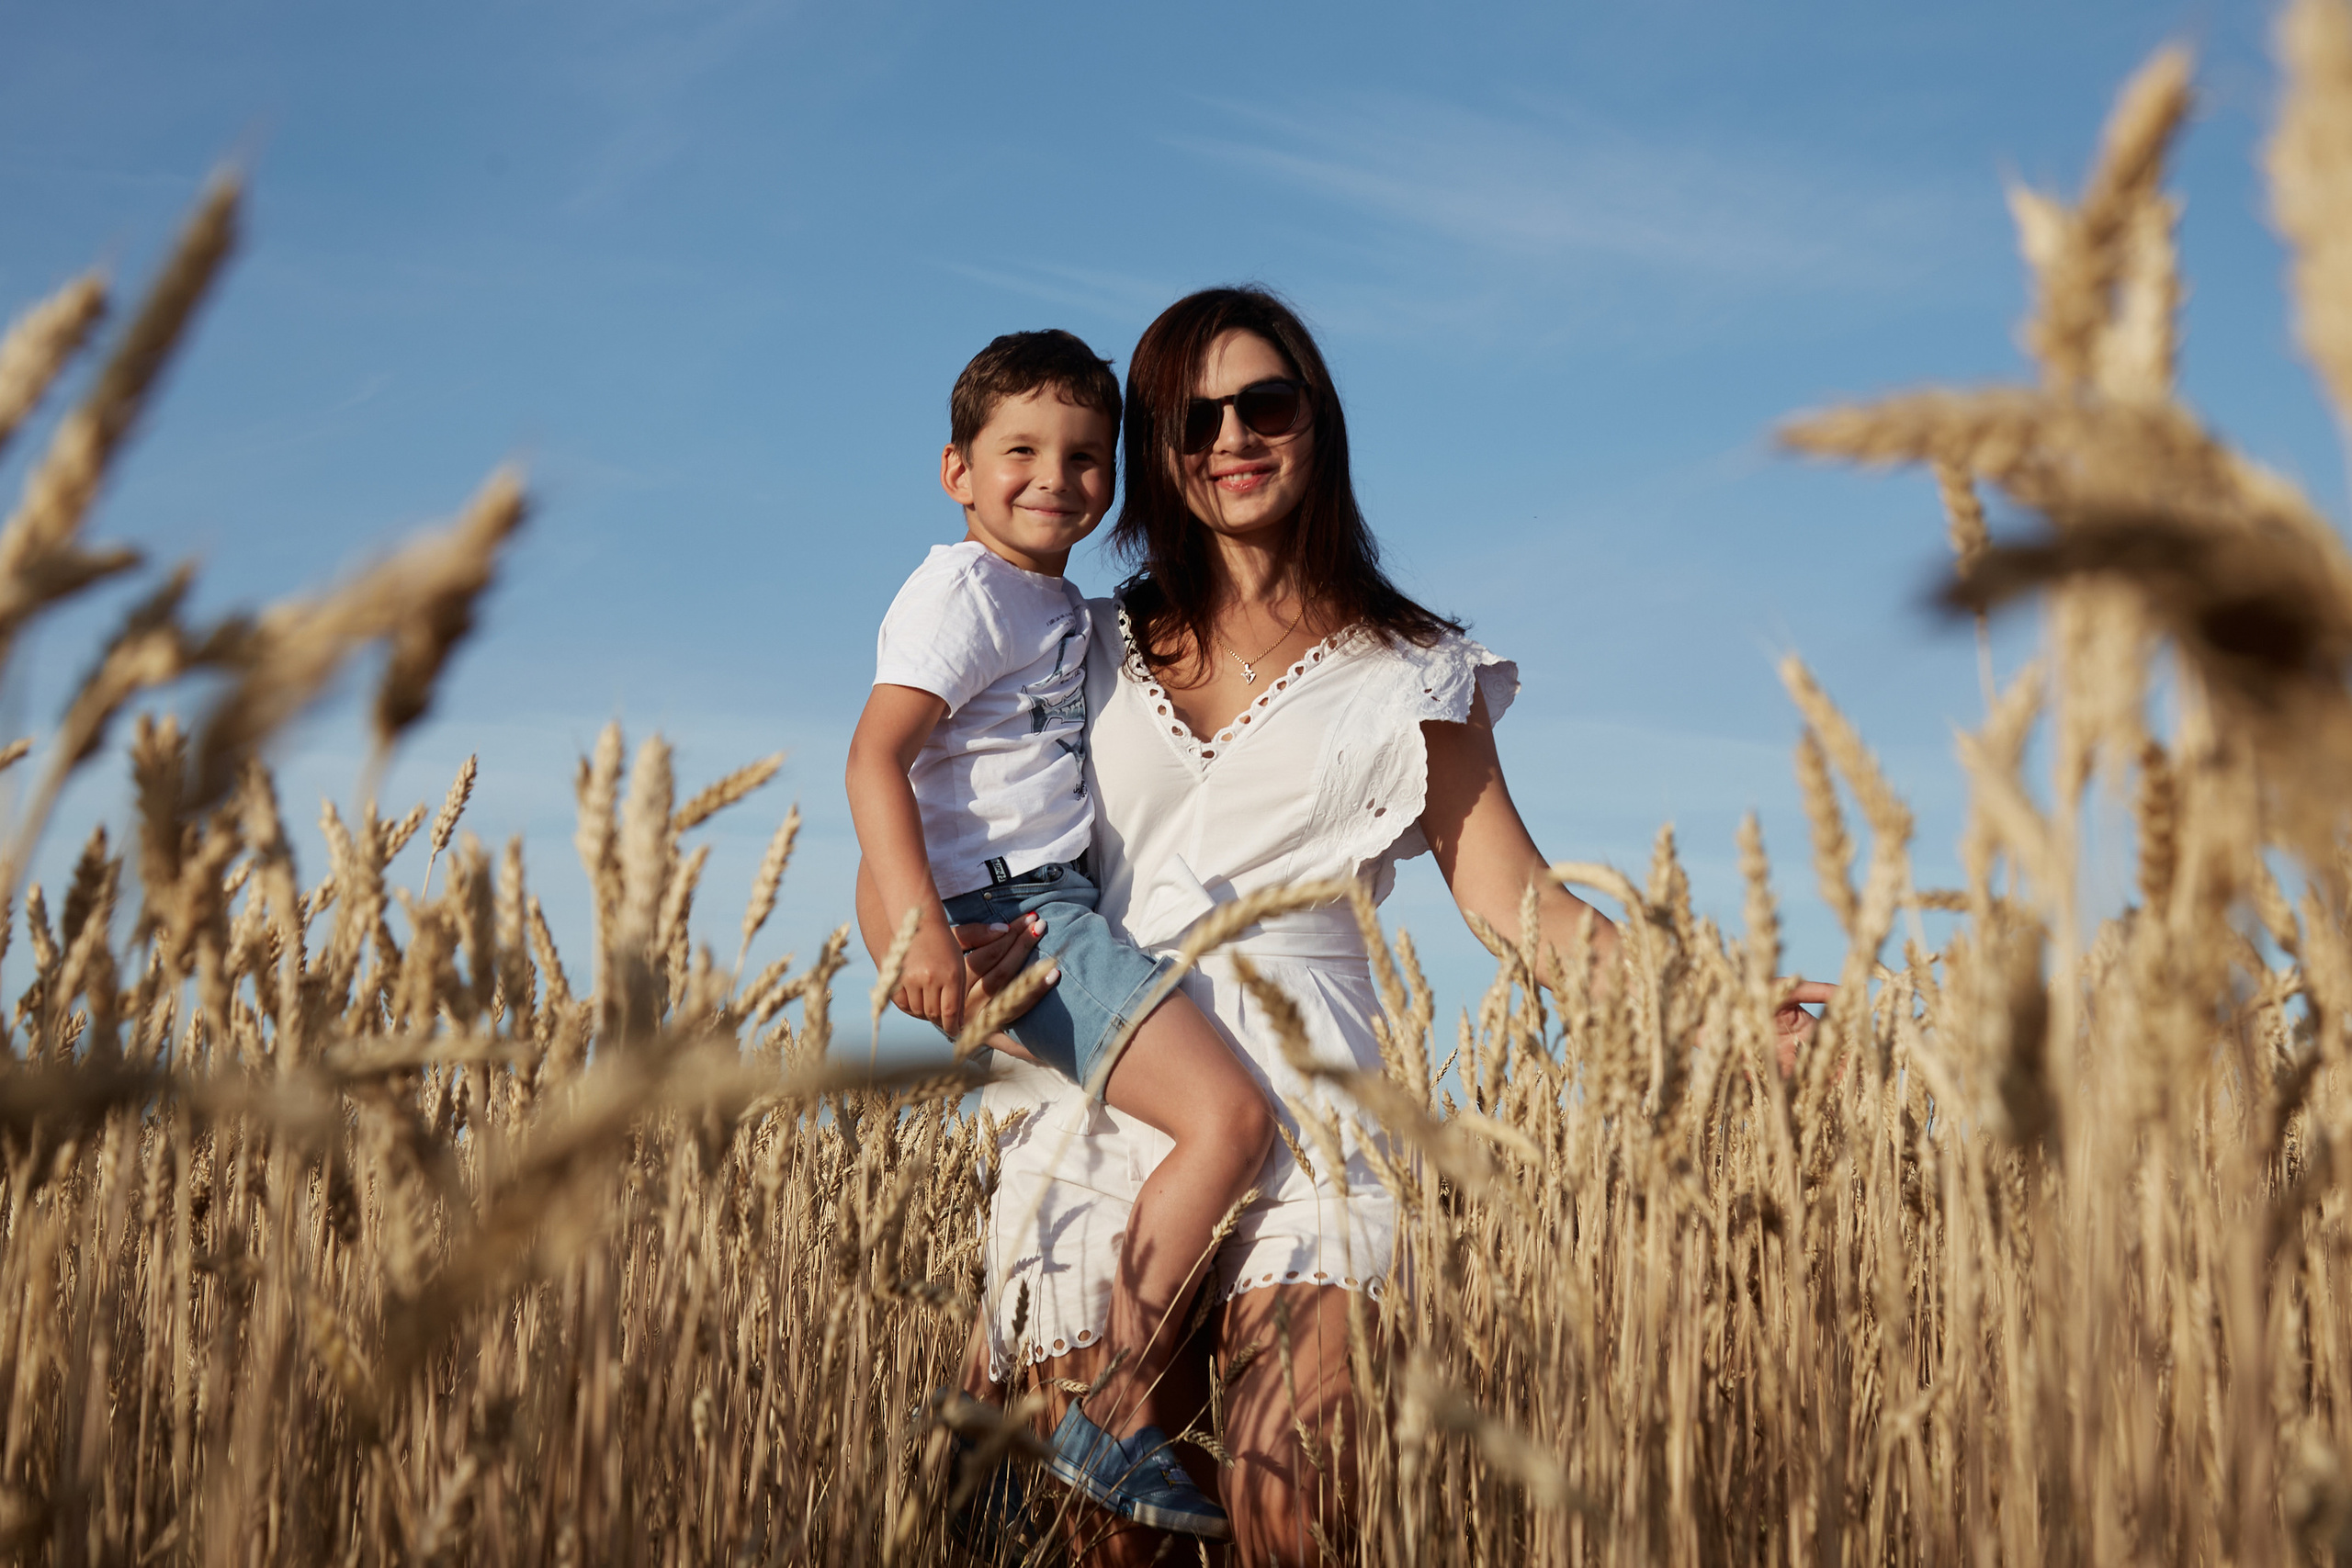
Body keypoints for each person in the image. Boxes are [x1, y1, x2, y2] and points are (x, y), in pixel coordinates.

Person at [879, 289, 1827, 1565]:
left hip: (1317, 1103)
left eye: (1263, 404)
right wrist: (913, 945)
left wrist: (1708, 1011)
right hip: (1114, 1096)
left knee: (1294, 1503)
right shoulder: (1076, 641)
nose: (1230, 436)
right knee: (1099, 1536)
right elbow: (934, 796)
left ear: (1317, 424)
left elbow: (1520, 902)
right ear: (1152, 452)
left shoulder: (1415, 668)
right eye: (1189, 416)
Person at [844, 328, 1275, 1541]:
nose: (1056, 478)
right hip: (1010, 912)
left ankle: (980, 1453)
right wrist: (919, 932)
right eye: (1020, 451)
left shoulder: (1055, 606)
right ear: (955, 471)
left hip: (1041, 901)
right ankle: (1112, 1405)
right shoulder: (962, 595)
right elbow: (874, 758)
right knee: (1227, 1122)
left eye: (1088, 457)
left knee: (1090, 1154)